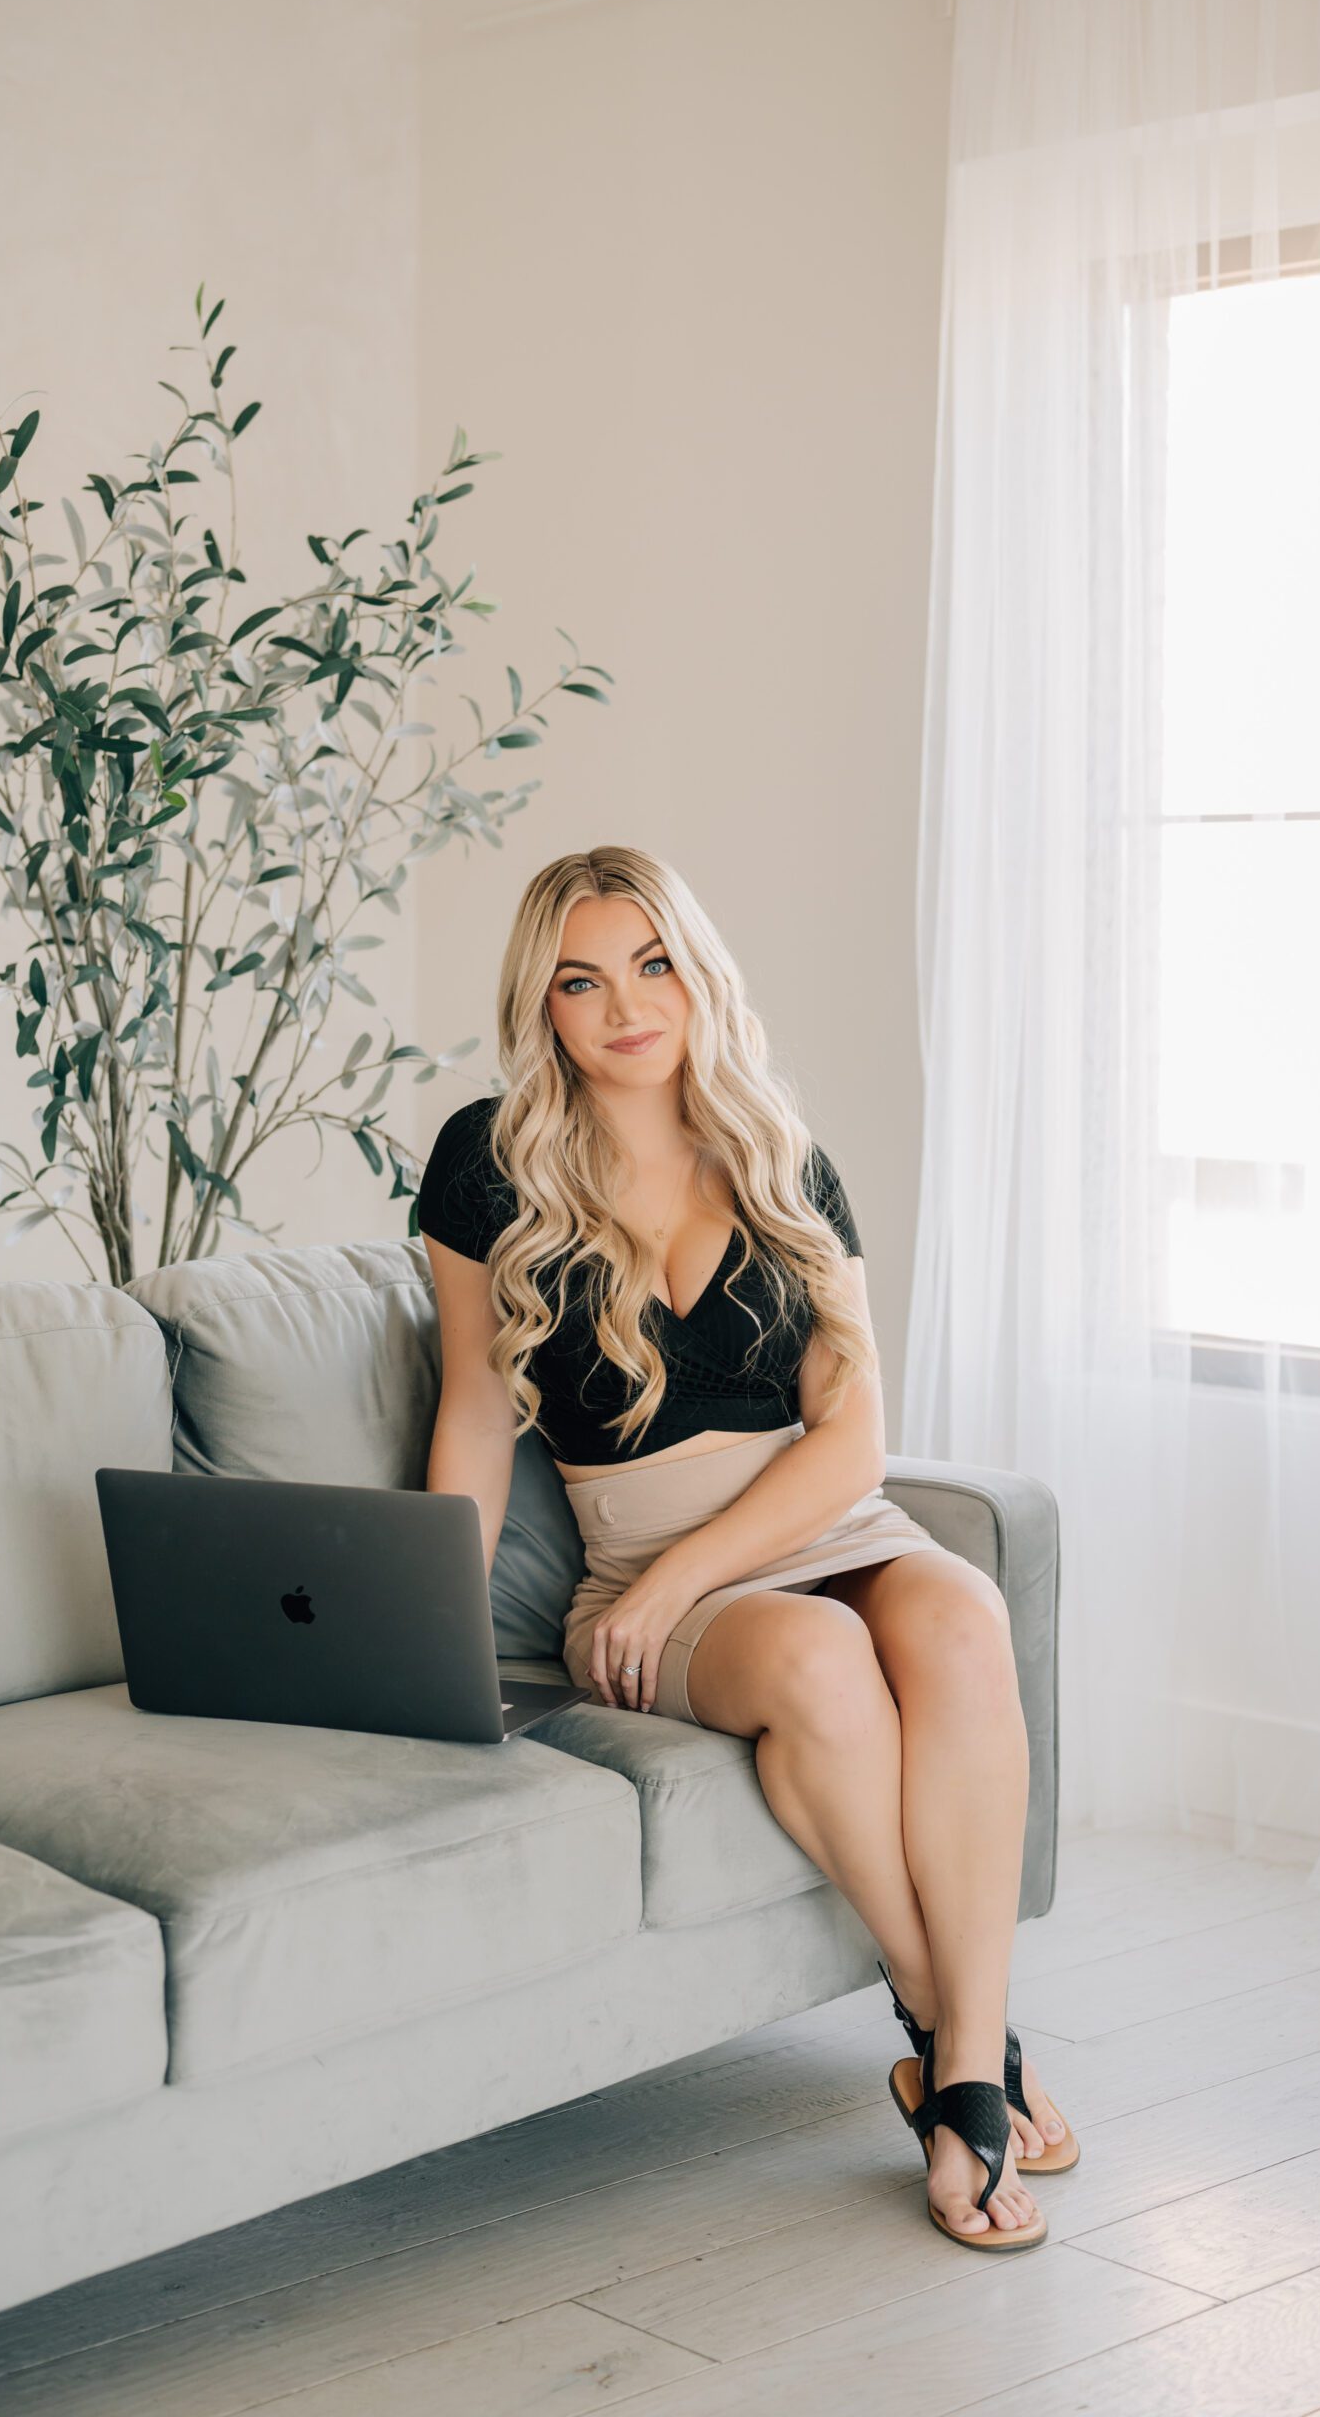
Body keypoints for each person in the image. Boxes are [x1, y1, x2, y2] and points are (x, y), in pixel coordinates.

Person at [415, 845, 1076, 2252]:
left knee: (961, 1611)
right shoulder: (488, 1163)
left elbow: (852, 1435)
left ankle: (954, 2060)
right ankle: (965, 2051)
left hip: (818, 1524)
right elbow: (474, 1414)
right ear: (542, 1005)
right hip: (659, 1575)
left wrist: (690, 1569)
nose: (624, 1006)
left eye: (652, 964)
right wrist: (427, 1639)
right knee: (824, 1660)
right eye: (581, 980)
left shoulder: (785, 1161)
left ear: (697, 975)